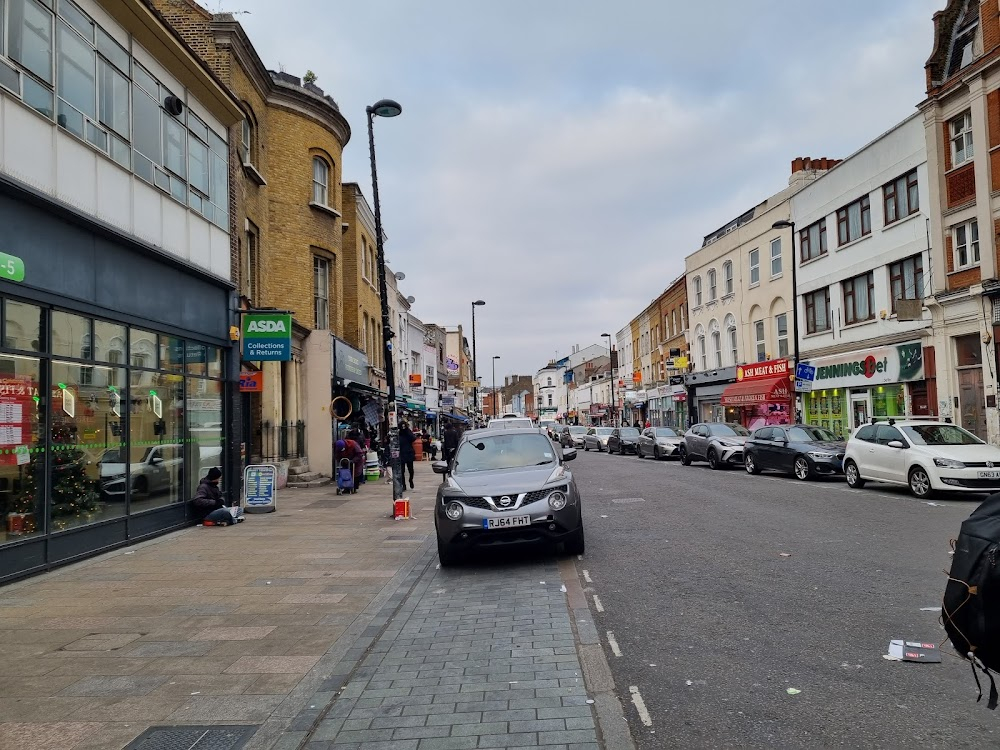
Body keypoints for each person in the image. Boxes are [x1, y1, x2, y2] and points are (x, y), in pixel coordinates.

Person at [398, 421, 417, 489]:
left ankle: (410, 479)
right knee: (402, 471)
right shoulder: (399, 433)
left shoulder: (408, 433)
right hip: (401, 453)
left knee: (411, 470)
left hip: (409, 453)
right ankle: (403, 485)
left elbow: (413, 438)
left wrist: (407, 430)